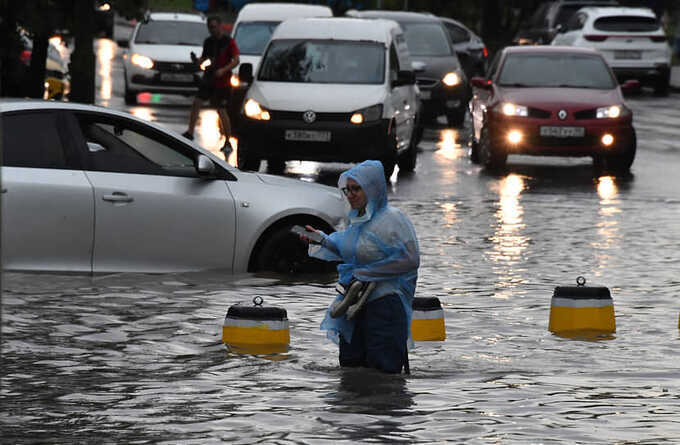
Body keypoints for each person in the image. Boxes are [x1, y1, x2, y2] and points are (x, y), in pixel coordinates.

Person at [299, 160, 420, 374]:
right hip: (353, 304)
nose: (351, 195)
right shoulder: (357, 221)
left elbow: (410, 260)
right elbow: (352, 251)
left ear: (372, 189)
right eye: (348, 189)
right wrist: (322, 239)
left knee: (383, 372)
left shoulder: (393, 220)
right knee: (351, 368)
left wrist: (367, 274)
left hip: (385, 306)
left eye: (357, 189)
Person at [182, 15, 239, 155]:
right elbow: (205, 58)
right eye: (210, 27)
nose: (212, 30)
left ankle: (227, 141)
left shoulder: (228, 42)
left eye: (214, 27)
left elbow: (236, 60)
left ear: (220, 26)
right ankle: (190, 133)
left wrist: (224, 70)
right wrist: (197, 61)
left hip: (222, 81)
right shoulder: (208, 41)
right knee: (196, 102)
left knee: (221, 110)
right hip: (209, 78)